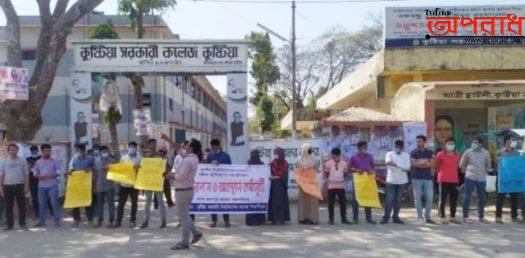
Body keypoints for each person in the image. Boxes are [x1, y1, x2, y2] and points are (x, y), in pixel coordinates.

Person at [168, 138, 203, 250]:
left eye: (187, 146)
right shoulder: (193, 157)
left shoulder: (188, 160)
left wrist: (169, 176)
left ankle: (184, 242)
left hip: (183, 191)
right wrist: (168, 139)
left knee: (184, 217)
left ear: (191, 148)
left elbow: (180, 177)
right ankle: (196, 233)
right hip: (186, 190)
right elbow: (178, 149)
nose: (184, 147)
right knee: (185, 216)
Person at [460, 137, 492, 224]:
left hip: (482, 177)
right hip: (470, 176)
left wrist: (487, 174)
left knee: (482, 197)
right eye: (472, 142)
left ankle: (481, 217)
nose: (473, 144)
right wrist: (465, 173)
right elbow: (462, 164)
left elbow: (488, 166)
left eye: (475, 142)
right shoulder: (468, 152)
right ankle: (465, 216)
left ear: (480, 144)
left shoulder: (486, 153)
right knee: (467, 196)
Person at [0, 144, 30, 230]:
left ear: (17, 150)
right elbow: (2, 175)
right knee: (8, 206)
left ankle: (22, 223)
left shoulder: (22, 161)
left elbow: (27, 174)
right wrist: (1, 186)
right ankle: (9, 225)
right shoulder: (4, 162)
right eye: (11, 149)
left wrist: (27, 186)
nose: (13, 151)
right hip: (7, 186)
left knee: (22, 206)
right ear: (8, 151)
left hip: (20, 186)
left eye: (15, 149)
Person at [381, 140, 411, 225]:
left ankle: (395, 217)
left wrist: (396, 165)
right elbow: (388, 163)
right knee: (389, 199)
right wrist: (401, 167)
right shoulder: (389, 154)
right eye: (395, 146)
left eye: (398, 147)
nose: (396, 148)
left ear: (402, 147)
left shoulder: (406, 155)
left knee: (398, 200)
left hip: (402, 181)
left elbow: (407, 168)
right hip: (391, 180)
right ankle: (385, 218)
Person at [140, 139, 167, 229]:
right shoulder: (145, 156)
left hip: (157, 181)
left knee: (160, 201)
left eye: (154, 144)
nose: (153, 145)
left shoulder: (160, 155)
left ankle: (163, 220)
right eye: (151, 144)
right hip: (148, 182)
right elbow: (142, 168)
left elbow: (164, 166)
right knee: (147, 202)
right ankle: (145, 221)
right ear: (148, 145)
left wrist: (164, 162)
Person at [33, 144, 61, 228]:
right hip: (41, 186)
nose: (47, 152)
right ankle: (42, 221)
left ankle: (57, 221)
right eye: (45, 151)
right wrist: (39, 176)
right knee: (42, 204)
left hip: (52, 185)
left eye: (49, 151)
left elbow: (59, 172)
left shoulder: (55, 160)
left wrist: (49, 176)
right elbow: (34, 173)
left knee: (54, 203)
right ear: (42, 151)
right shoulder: (38, 162)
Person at [495, 134, 521, 224]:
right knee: (500, 198)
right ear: (506, 142)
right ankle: (498, 217)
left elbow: (518, 165)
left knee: (515, 197)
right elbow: (496, 164)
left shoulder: (517, 153)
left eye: (514, 141)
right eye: (511, 140)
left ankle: (514, 216)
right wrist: (498, 161)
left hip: (514, 178)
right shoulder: (500, 152)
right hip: (503, 178)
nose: (513, 142)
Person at [410, 135, 436, 225]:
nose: (418, 143)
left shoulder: (430, 152)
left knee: (430, 198)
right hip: (416, 178)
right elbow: (414, 164)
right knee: (417, 198)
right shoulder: (413, 152)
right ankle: (420, 217)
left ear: (424, 142)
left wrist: (420, 163)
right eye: (417, 141)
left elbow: (432, 164)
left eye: (420, 141)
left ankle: (427, 217)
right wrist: (426, 163)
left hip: (428, 178)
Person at [435, 137, 461, 224]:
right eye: (449, 144)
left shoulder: (457, 154)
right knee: (442, 199)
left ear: (455, 145)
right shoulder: (440, 154)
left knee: (454, 199)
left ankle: (452, 217)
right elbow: (437, 166)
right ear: (445, 145)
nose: (451, 145)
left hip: (454, 180)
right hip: (443, 179)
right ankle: (442, 217)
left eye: (452, 144)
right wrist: (439, 175)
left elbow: (457, 166)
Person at [207, 139, 232, 228]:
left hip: (223, 182)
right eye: (211, 147)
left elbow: (230, 168)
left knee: (225, 201)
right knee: (213, 201)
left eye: (213, 147)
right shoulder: (209, 156)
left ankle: (226, 220)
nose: (212, 148)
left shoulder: (226, 156)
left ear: (217, 146)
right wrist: (210, 164)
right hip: (213, 182)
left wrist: (220, 164)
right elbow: (205, 169)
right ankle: (214, 220)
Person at [114, 142, 141, 229]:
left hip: (134, 185)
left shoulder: (139, 158)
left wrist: (138, 168)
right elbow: (121, 169)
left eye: (134, 147)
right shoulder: (123, 158)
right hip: (124, 185)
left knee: (134, 204)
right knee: (121, 204)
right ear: (128, 148)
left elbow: (142, 171)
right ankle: (118, 221)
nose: (132, 148)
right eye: (130, 147)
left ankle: (132, 220)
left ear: (136, 148)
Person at [349, 141, 376, 224]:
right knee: (355, 200)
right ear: (359, 147)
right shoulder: (353, 157)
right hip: (358, 180)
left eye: (366, 147)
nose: (365, 148)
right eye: (364, 147)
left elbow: (373, 167)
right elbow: (350, 168)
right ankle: (355, 218)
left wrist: (371, 170)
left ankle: (369, 218)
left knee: (367, 198)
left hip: (367, 180)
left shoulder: (370, 156)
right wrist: (357, 170)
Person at [69, 143, 95, 227]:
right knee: (75, 202)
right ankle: (76, 220)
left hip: (86, 183)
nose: (76, 151)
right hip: (76, 183)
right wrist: (71, 170)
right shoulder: (74, 158)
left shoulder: (90, 158)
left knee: (88, 202)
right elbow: (71, 167)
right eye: (76, 150)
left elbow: (95, 167)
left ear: (82, 150)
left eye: (77, 150)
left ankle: (90, 220)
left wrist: (90, 169)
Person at [324, 147, 350, 225]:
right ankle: (331, 219)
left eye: (333, 154)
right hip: (331, 186)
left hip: (341, 185)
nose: (332, 155)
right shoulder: (328, 163)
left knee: (343, 203)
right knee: (331, 203)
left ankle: (344, 218)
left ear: (336, 154)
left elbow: (345, 174)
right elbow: (326, 173)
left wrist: (339, 178)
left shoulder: (344, 163)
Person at [296, 143, 320, 225]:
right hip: (309, 182)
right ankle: (310, 219)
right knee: (308, 200)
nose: (311, 150)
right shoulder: (315, 159)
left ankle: (306, 219)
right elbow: (316, 169)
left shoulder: (299, 159)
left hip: (306, 182)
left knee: (306, 200)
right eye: (310, 149)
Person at [94, 146, 116, 228]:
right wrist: (94, 186)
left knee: (111, 204)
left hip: (109, 186)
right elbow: (95, 174)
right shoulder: (96, 162)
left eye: (106, 151)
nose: (105, 153)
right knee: (99, 205)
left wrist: (109, 168)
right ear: (100, 152)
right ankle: (100, 221)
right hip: (99, 186)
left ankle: (111, 221)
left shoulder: (112, 161)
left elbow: (116, 173)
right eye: (103, 151)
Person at [268, 147, 291, 224]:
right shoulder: (272, 163)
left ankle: (282, 218)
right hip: (274, 186)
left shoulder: (285, 164)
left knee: (281, 202)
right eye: (274, 153)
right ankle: (274, 219)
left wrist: (276, 177)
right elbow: (269, 174)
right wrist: (272, 177)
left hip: (281, 186)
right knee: (274, 202)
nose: (275, 155)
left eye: (277, 153)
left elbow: (285, 176)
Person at [245, 150, 267, 226]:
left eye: (255, 155)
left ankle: (260, 220)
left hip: (259, 187)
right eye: (252, 155)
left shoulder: (262, 164)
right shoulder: (248, 164)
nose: (253, 157)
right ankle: (251, 221)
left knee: (259, 203)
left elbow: (264, 175)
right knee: (251, 203)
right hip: (251, 188)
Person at [26, 145, 42, 219]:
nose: (34, 152)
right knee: (34, 197)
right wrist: (31, 165)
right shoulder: (29, 158)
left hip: (42, 179)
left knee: (44, 197)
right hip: (32, 180)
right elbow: (28, 170)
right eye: (33, 151)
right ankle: (36, 213)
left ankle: (47, 211)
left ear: (38, 150)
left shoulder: (42, 157)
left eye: (35, 150)